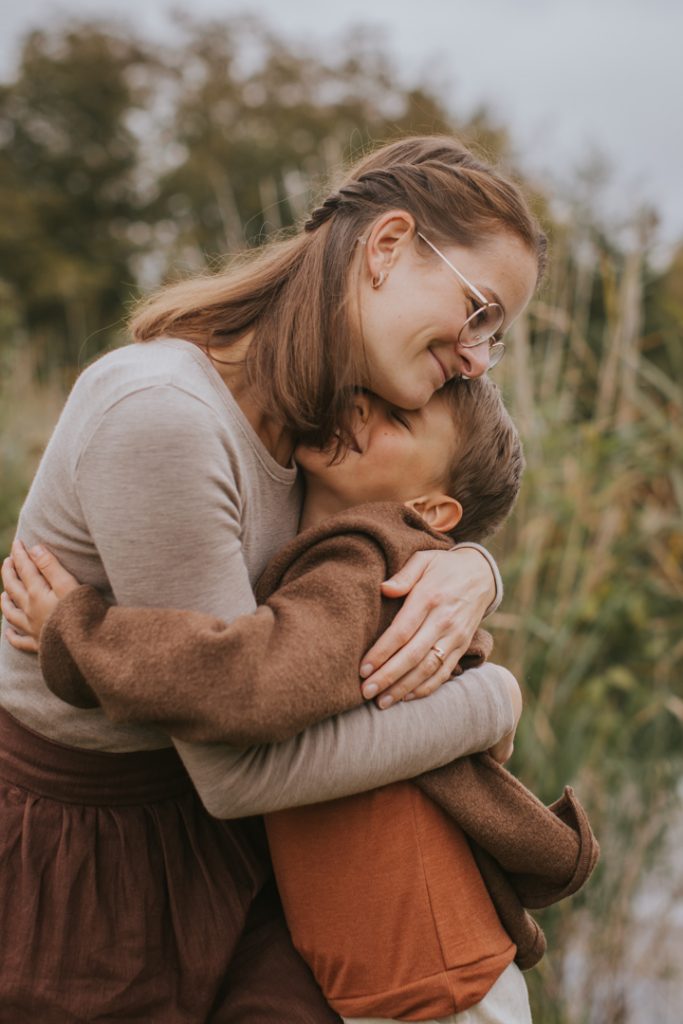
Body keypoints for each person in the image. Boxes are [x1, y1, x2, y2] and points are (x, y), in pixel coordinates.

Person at [0, 135, 545, 1022]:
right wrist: (490, 702)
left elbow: (407, 518)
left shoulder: (324, 426)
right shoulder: (166, 417)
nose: (480, 357)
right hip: (97, 864)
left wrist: (472, 568)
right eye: (479, 312)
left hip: (251, 847)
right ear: (385, 247)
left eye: (497, 336)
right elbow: (237, 772)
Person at [3, 378, 599, 1024]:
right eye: (369, 394)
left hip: (434, 979)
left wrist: (75, 633)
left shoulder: (365, 561)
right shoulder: (328, 547)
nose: (360, 407)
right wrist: (480, 568)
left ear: (429, 510)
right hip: (400, 964)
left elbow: (249, 682)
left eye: (397, 419)